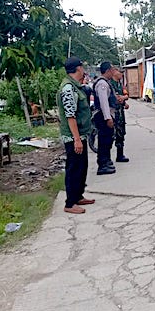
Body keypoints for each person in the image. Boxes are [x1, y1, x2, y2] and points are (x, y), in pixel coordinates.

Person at [57, 57, 95, 214]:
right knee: (74, 168)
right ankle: (70, 203)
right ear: (78, 69)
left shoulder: (75, 86)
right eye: (82, 67)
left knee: (82, 167)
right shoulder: (68, 88)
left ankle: (78, 196)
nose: (83, 70)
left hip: (81, 134)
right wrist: (77, 139)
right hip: (73, 137)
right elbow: (70, 116)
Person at [93, 61, 119, 175]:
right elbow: (104, 102)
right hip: (103, 116)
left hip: (106, 115)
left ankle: (107, 161)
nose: (113, 72)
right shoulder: (102, 84)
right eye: (112, 70)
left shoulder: (106, 82)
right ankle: (102, 164)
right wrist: (108, 118)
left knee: (108, 139)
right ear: (108, 71)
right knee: (104, 141)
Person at [111, 68, 130, 163]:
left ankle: (120, 155)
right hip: (113, 113)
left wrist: (123, 100)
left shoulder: (120, 84)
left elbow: (126, 95)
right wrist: (122, 98)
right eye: (120, 72)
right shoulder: (111, 84)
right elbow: (116, 98)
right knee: (111, 135)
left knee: (121, 133)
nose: (122, 74)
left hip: (120, 112)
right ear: (114, 72)